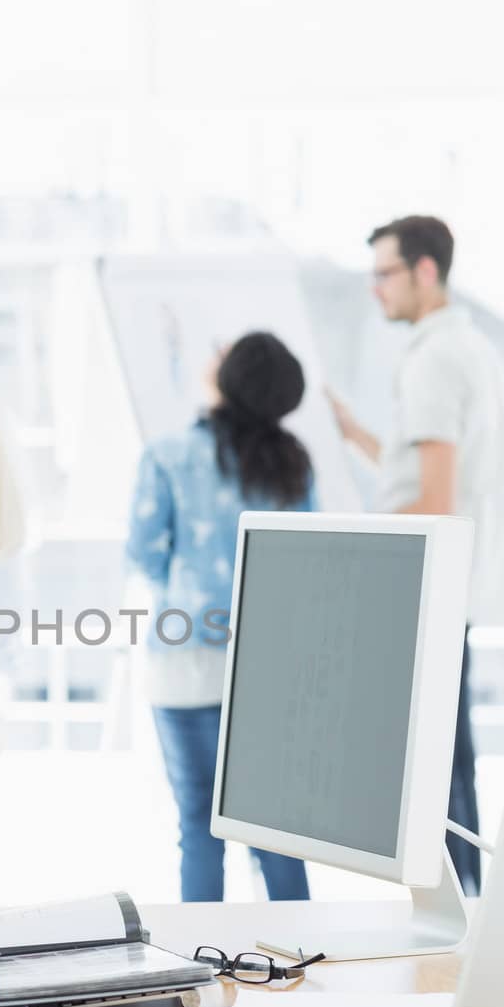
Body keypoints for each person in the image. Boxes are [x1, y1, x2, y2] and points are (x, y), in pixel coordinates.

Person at [329, 216, 504, 895]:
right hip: (459, 584)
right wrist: (354, 436)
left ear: (425, 271)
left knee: (433, 772)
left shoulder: (434, 359)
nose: (375, 288)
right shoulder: (469, 348)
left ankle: (456, 924)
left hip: (433, 587)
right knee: (449, 764)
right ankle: (464, 916)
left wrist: (353, 537)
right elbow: (435, 476)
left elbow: (433, 500)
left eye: (384, 273)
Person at [127, 332, 316, 903]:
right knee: (277, 833)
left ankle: (200, 969)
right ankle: (304, 957)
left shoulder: (167, 455)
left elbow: (144, 554)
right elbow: (309, 557)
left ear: (229, 379)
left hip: (184, 660)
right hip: (267, 663)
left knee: (199, 828)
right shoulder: (293, 463)